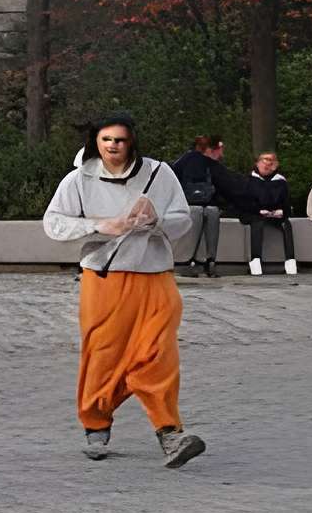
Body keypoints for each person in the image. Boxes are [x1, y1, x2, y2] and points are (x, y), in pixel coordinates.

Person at [43, 116, 207, 467]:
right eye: (106, 139)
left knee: (159, 352)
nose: (113, 145)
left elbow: (183, 219)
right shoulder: (78, 179)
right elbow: (54, 222)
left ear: (132, 142)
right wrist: (103, 225)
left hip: (154, 274)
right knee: (103, 353)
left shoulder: (159, 174)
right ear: (95, 142)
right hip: (104, 278)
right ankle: (96, 421)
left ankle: (170, 433)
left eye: (120, 139)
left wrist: (156, 221)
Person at [172, 135, 230, 276]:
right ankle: (209, 261)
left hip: (188, 204)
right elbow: (226, 186)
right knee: (210, 213)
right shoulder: (212, 164)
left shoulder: (183, 161)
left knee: (197, 213)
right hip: (206, 205)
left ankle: (187, 262)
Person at [234, 151, 295, 276]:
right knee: (257, 223)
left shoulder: (281, 181)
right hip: (253, 213)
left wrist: (281, 211)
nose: (267, 165)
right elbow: (243, 202)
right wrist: (259, 210)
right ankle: (256, 262)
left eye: (270, 162)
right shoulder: (248, 180)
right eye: (264, 161)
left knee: (286, 224)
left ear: (275, 165)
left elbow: (287, 202)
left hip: (274, 214)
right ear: (257, 163)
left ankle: (290, 261)